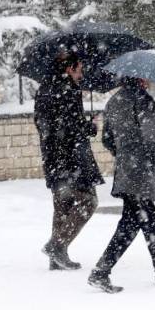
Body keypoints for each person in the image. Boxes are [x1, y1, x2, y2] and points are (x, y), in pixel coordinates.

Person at [87, 77, 155, 293]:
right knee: (138, 221)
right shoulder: (142, 100)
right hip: (141, 170)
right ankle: (101, 272)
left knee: (142, 221)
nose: (150, 80)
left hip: (126, 169)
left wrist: (124, 154)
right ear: (139, 78)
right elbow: (150, 135)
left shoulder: (114, 101)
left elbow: (107, 140)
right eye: (146, 76)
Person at [34, 50, 103, 271]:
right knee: (88, 202)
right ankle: (57, 246)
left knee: (62, 205)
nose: (81, 74)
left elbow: (47, 125)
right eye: (79, 70)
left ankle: (56, 259)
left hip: (54, 159)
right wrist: (89, 126)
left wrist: (79, 125)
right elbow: (70, 127)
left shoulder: (45, 89)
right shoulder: (66, 91)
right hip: (71, 160)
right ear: (69, 68)